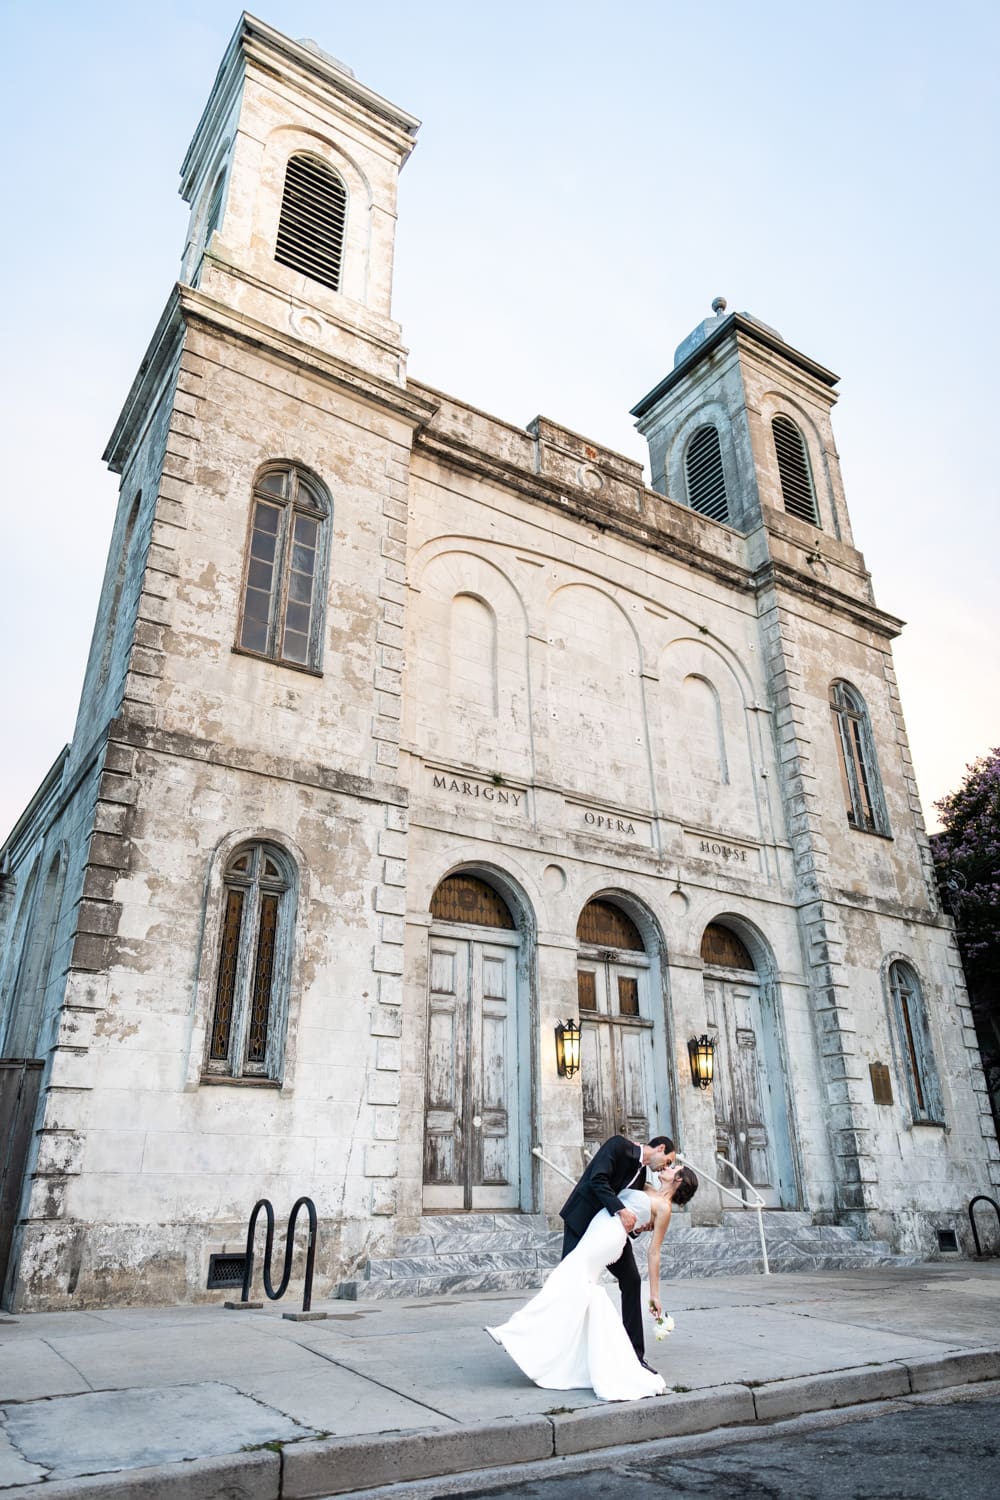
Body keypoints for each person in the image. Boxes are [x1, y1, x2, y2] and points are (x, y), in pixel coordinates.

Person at [486, 1163, 699, 1402]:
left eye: (673, 1168)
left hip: (608, 1237)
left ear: (678, 1180)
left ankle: (515, 1332)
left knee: (566, 1277)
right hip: (599, 1227)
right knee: (580, 1287)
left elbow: (654, 1253)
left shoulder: (664, 1208)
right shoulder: (647, 1187)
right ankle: (575, 1355)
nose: (667, 1167)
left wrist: (655, 1295)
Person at [560, 1134, 675, 1368]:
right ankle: (562, 1350)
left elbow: (630, 1208)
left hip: (609, 1232)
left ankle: (635, 1356)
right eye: (668, 1160)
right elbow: (597, 1180)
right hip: (582, 1222)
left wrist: (637, 1228)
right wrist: (622, 1211)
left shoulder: (642, 1175)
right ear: (661, 1148)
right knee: (570, 1282)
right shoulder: (618, 1146)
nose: (667, 1166)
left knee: (632, 1279)